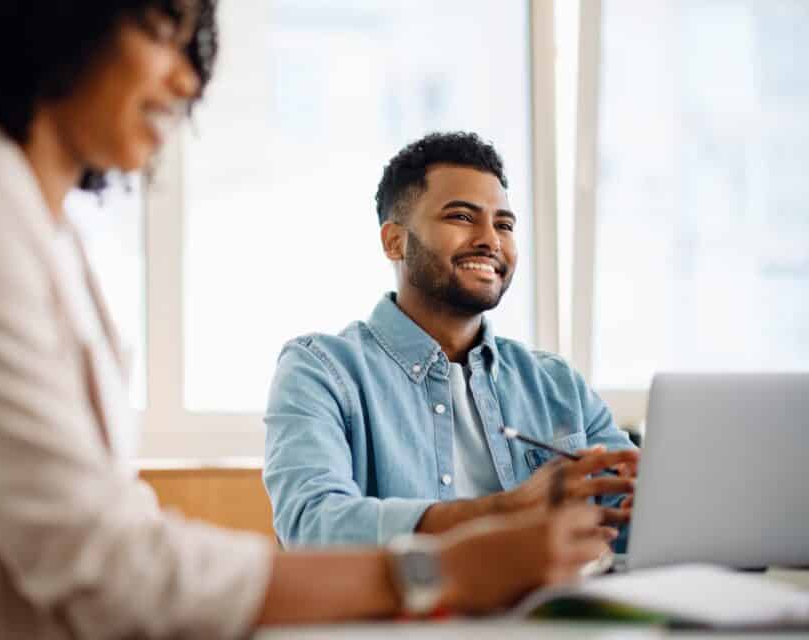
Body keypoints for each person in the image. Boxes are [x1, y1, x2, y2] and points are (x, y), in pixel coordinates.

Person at [0, 2, 612, 638]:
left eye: (193, 46)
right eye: (160, 33)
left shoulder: (38, 231)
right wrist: (443, 567)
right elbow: (100, 561)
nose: (187, 79)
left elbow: (109, 526)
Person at [264, 132, 639, 548]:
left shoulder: (556, 383)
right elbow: (312, 526)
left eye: (504, 224)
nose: (491, 240)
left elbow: (635, 519)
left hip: (555, 610)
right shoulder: (320, 370)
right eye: (461, 217)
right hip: (414, 613)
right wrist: (507, 511)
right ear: (394, 241)